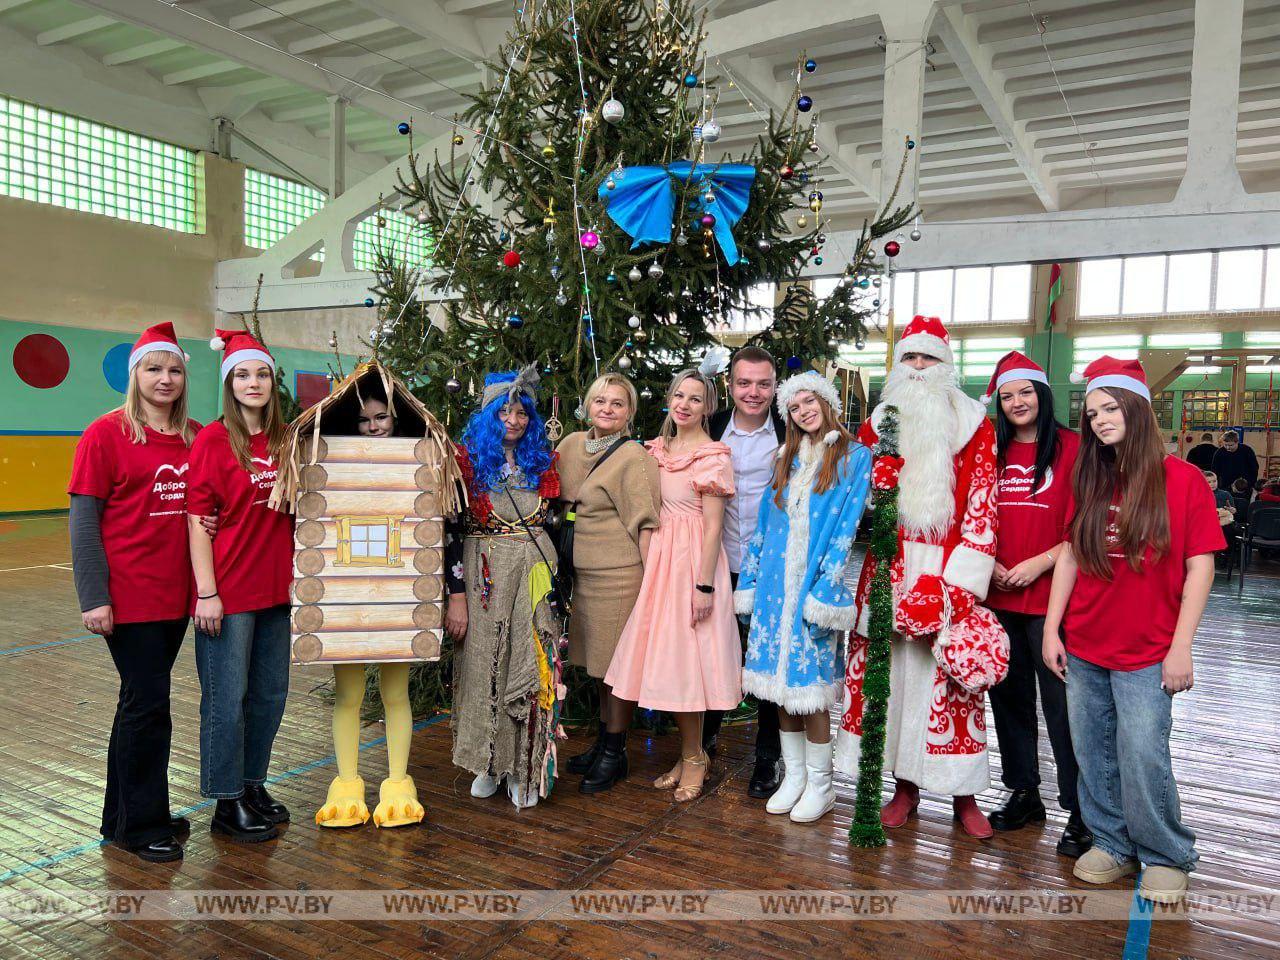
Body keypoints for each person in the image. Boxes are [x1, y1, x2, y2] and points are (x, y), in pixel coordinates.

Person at [1043, 357, 1222, 905]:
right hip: (1087, 642)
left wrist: (1181, 647)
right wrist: (1053, 630)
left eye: (1110, 407)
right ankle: (1112, 844)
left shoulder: (1183, 480)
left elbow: (1201, 566)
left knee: (1143, 753)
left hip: (1149, 650)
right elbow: (1072, 555)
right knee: (1091, 750)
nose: (1098, 419)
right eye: (1091, 411)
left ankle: (1165, 853)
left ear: (1138, 409)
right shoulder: (1091, 478)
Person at [835, 315, 1007, 840]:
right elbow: (850, 494)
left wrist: (954, 587)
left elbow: (983, 504)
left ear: (944, 366)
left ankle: (964, 794)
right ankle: (902, 788)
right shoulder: (879, 421)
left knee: (950, 682)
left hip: (949, 569)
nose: (916, 368)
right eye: (908, 358)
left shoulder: (975, 424)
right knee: (892, 681)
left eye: (926, 358)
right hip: (886, 568)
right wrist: (871, 491)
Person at [68, 323, 198, 863]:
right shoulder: (106, 434)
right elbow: (83, 522)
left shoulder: (195, 435)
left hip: (178, 597)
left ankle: (121, 815)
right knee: (149, 706)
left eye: (173, 369)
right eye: (153, 368)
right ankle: (142, 827)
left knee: (138, 705)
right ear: (135, 374)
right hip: (130, 597)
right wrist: (93, 597)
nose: (164, 378)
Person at [734, 371, 871, 823]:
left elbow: (846, 531)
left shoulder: (853, 458)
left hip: (812, 587)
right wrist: (751, 584)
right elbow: (762, 528)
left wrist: (825, 590)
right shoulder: (785, 457)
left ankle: (821, 783)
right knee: (779, 692)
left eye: (810, 402)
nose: (804, 411)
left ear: (827, 402)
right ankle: (793, 777)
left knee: (810, 694)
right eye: (794, 407)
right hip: (775, 591)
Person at [604, 367, 741, 802]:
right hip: (660, 563)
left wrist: (703, 586)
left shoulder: (712, 455)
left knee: (690, 664)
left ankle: (695, 759)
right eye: (679, 395)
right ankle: (688, 755)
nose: (684, 404)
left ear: (708, 407)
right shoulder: (654, 450)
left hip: (693, 564)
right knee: (669, 663)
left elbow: (714, 527)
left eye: (695, 399)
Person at [979, 352, 1090, 857]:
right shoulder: (991, 449)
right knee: (1008, 699)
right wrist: (989, 562)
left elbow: (1083, 522)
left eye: (1025, 392)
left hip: (1053, 600)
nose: (1017, 402)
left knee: (1063, 707)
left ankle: (1081, 809)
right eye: (1007, 395)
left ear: (1043, 395)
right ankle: (1024, 790)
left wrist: (1041, 562)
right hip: (998, 593)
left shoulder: (1074, 448)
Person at [187, 329, 294, 843]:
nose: (254, 383)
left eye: (263, 374)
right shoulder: (213, 439)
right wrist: (206, 592)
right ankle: (226, 803)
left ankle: (253, 786)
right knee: (225, 700)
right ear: (229, 382)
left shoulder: (286, 439)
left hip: (278, 591)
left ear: (274, 382)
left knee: (269, 696)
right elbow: (197, 518)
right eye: (243, 375)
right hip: (229, 593)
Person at [449, 368, 563, 810]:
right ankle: (487, 762)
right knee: (483, 664)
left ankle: (523, 767)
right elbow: (450, 532)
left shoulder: (544, 461)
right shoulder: (464, 461)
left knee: (532, 662)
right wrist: (455, 594)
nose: (513, 420)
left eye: (521, 412)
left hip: (535, 572)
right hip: (483, 575)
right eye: (504, 412)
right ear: (487, 416)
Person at [314, 385, 424, 830]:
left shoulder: (414, 461)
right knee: (350, 695)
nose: (374, 427)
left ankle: (398, 781)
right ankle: (347, 782)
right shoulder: (333, 463)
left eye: (382, 418)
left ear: (396, 420)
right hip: (347, 598)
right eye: (365, 420)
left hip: (397, 597)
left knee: (396, 694)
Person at [556, 374, 662, 792]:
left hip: (619, 577)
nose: (608, 408)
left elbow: (647, 523)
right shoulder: (568, 446)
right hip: (578, 576)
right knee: (598, 669)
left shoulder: (634, 457)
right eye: (600, 400)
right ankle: (603, 742)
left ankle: (615, 753)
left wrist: (652, 584)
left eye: (618, 403)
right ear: (587, 405)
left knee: (616, 670)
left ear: (629, 412)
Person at [703, 345, 786, 799]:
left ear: (775, 387)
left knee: (766, 662)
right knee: (717, 653)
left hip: (772, 569)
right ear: (730, 386)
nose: (753, 392)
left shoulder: (792, 433)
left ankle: (767, 757)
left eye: (763, 384)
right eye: (744, 383)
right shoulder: (712, 429)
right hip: (720, 564)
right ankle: (705, 743)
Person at [1211, 429, 1258, 495]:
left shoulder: (1247, 451)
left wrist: (1251, 484)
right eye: (1225, 445)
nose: (1227, 448)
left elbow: (1254, 468)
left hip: (1244, 486)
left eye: (1230, 445)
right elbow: (1215, 470)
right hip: (1225, 486)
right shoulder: (1219, 453)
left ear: (1237, 442)